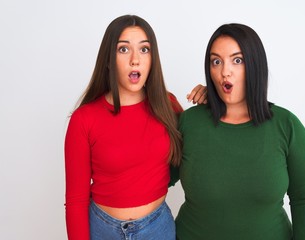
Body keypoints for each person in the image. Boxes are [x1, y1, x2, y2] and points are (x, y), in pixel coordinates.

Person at [64, 15, 206, 240]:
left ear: (152, 58)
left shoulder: (168, 105)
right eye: (123, 50)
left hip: (157, 228)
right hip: (102, 230)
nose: (135, 60)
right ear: (109, 59)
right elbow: (76, 200)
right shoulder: (84, 119)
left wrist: (212, 99)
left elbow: (197, 151)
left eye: (144, 50)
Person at [172, 23, 305, 239]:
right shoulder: (189, 122)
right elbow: (154, 178)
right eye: (216, 61)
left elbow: (303, 200)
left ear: (255, 65)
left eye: (237, 60)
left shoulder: (287, 125)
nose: (224, 72)